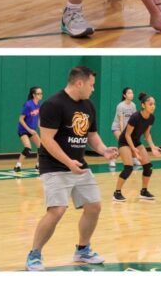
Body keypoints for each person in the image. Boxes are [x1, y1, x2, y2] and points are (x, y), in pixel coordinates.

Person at [25, 66, 118, 272]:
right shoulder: (53, 104)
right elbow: (47, 140)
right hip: (55, 166)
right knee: (56, 211)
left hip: (78, 164)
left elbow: (91, 135)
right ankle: (34, 255)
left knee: (94, 206)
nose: (93, 89)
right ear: (79, 83)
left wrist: (104, 151)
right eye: (91, 85)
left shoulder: (89, 106)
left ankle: (83, 250)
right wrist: (68, 162)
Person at [112, 92, 161, 202]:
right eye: (150, 104)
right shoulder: (135, 117)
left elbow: (147, 134)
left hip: (136, 142)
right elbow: (127, 135)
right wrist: (133, 149)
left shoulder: (151, 118)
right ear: (143, 105)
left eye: (154, 104)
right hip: (125, 141)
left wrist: (153, 147)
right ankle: (117, 193)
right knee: (128, 168)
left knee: (148, 166)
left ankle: (144, 191)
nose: (153, 106)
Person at [14, 86, 43, 172]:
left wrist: (39, 126)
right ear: (34, 95)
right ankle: (17, 166)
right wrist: (29, 130)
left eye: (41, 93)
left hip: (32, 130)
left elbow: (37, 117)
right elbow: (21, 119)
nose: (41, 95)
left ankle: (38, 165)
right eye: (38, 93)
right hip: (23, 130)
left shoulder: (38, 105)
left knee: (41, 147)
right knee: (28, 148)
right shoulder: (28, 105)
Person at [109, 87, 138, 170]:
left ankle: (133, 158)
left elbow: (134, 119)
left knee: (128, 144)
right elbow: (121, 121)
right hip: (117, 128)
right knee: (124, 145)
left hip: (127, 129)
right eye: (129, 93)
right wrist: (123, 134)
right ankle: (112, 159)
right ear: (124, 95)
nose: (131, 94)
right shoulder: (120, 106)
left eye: (132, 93)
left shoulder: (133, 105)